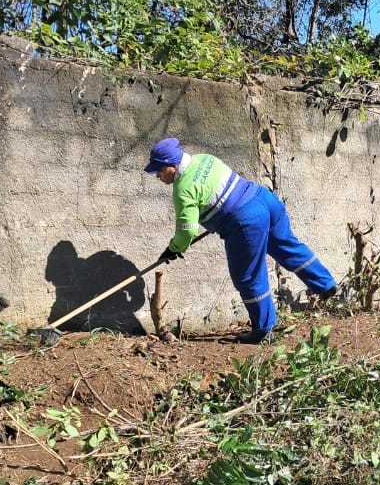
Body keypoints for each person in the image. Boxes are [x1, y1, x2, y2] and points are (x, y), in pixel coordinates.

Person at [143, 138, 338, 343]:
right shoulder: (203, 159)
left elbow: (187, 231)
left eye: (159, 170)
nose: (157, 175)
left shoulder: (183, 189)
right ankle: (326, 285)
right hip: (264, 199)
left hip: (246, 221)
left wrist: (174, 248)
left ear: (172, 166)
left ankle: (264, 330)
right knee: (287, 247)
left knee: (248, 277)